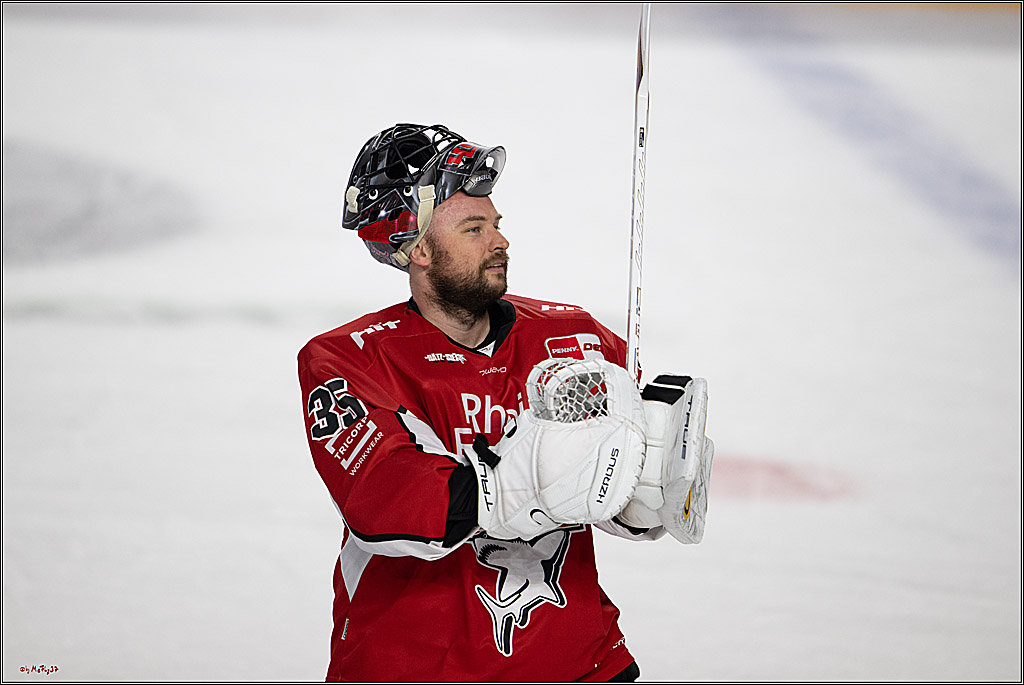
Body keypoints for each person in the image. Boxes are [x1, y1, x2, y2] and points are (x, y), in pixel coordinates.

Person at [298, 123, 714, 682]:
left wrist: (644, 492)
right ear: (416, 248)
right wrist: (531, 475)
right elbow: (385, 499)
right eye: (474, 228)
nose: (500, 241)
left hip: (578, 662)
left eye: (495, 223)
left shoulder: (576, 338)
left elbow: (617, 475)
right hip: (413, 669)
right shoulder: (350, 360)